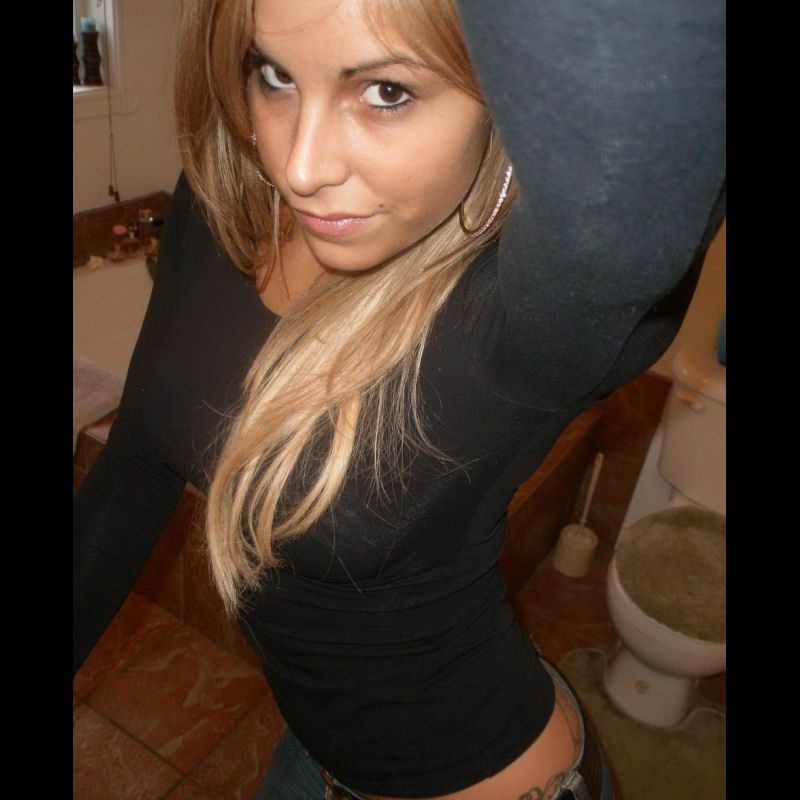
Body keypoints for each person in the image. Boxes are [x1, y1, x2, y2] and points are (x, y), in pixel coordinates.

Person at [73, 0, 725, 798]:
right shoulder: (228, 209)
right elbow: (134, 467)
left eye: (387, 92)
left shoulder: (527, 317)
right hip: (312, 758)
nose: (300, 166)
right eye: (275, 75)